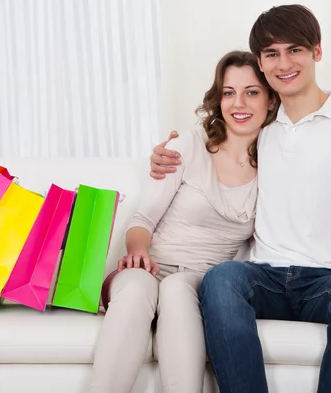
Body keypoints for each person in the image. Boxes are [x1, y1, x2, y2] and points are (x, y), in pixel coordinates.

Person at [149, 4, 331, 393]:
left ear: (317, 50)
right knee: (220, 280)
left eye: (294, 49)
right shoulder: (259, 125)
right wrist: (165, 155)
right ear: (261, 64)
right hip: (265, 277)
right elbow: (208, 151)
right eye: (271, 54)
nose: (284, 63)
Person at [89, 50, 279, 393]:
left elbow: (284, 237)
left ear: (270, 100)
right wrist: (138, 252)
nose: (239, 103)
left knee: (178, 289)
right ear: (218, 99)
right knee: (135, 289)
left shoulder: (277, 165)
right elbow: (142, 219)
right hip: (150, 265)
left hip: (201, 282)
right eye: (228, 92)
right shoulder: (187, 147)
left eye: (252, 92)